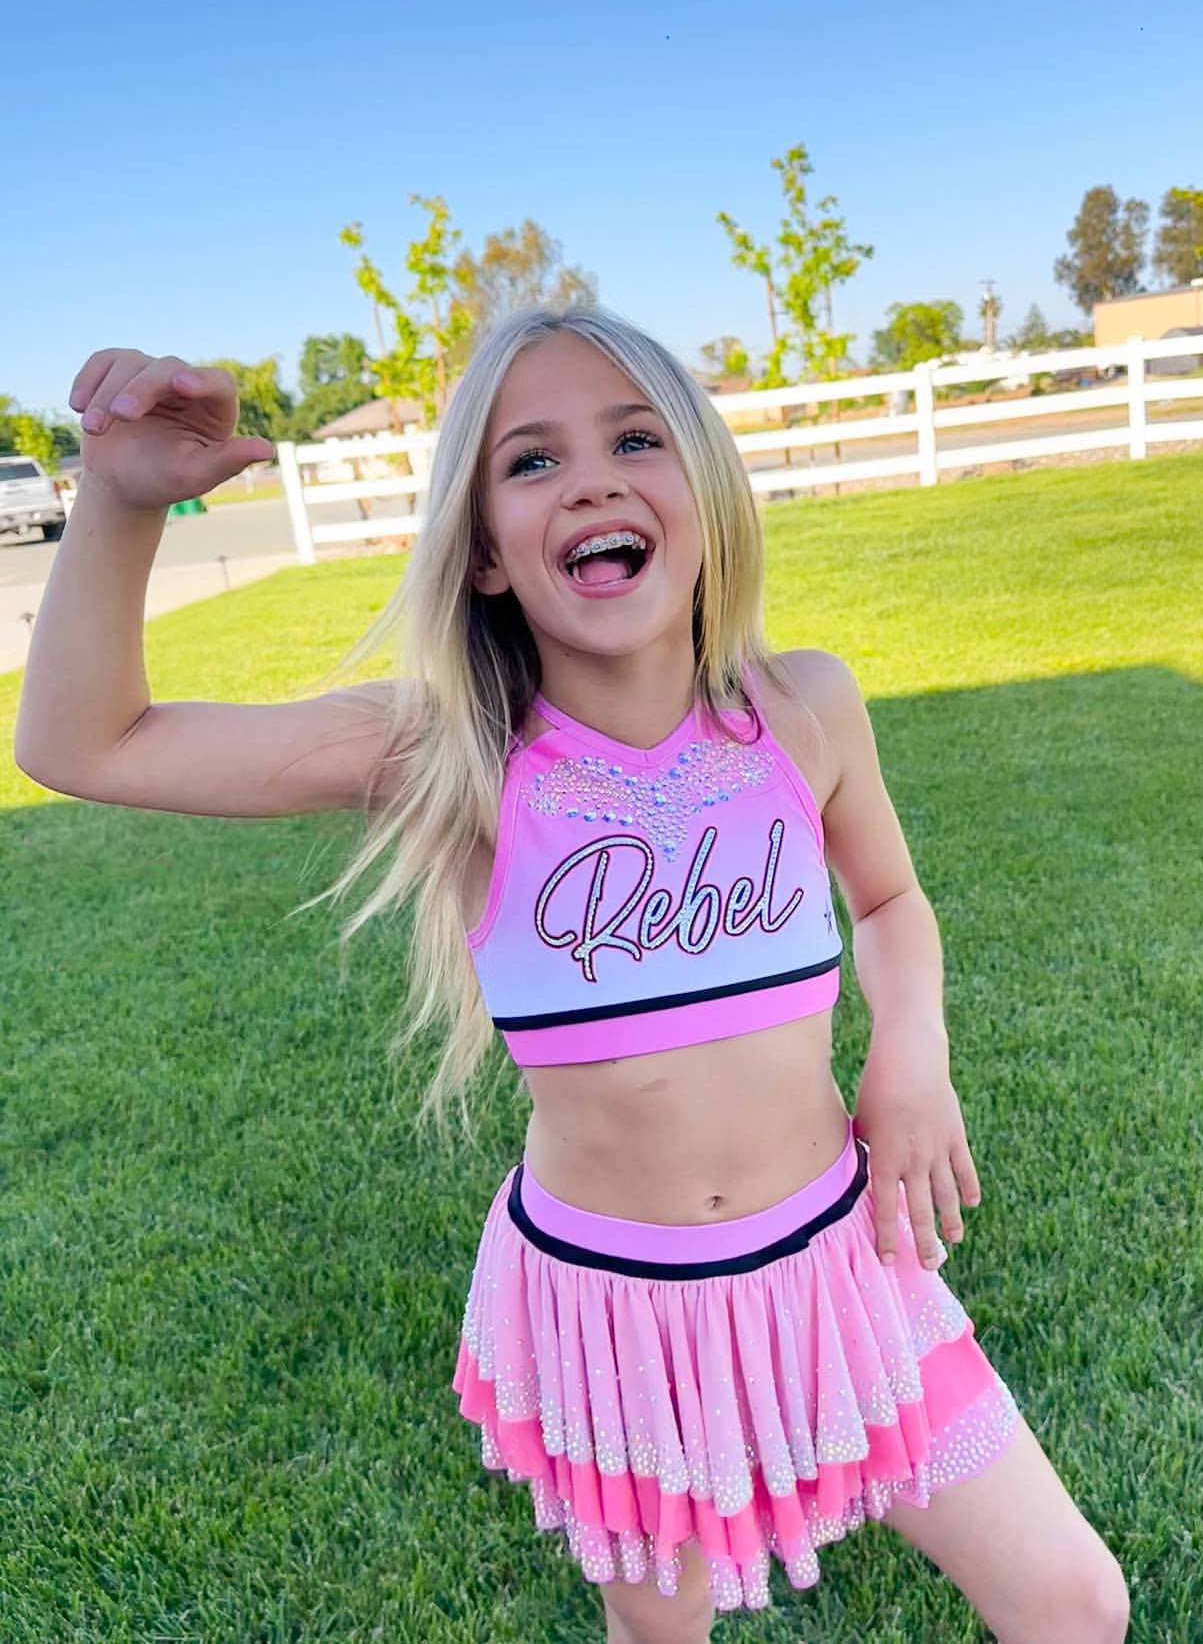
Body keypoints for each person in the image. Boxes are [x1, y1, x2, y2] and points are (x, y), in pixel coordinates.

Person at [15, 309, 1130, 1644]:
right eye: (532, 461)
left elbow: (889, 902)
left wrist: (913, 1053)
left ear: (705, 493)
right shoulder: (452, 755)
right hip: (616, 1316)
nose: (593, 481)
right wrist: (122, 503)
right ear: (486, 552)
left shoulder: (804, 708)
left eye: (636, 439)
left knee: (1076, 1603)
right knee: (662, 1633)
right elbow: (88, 743)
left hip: (843, 1268)